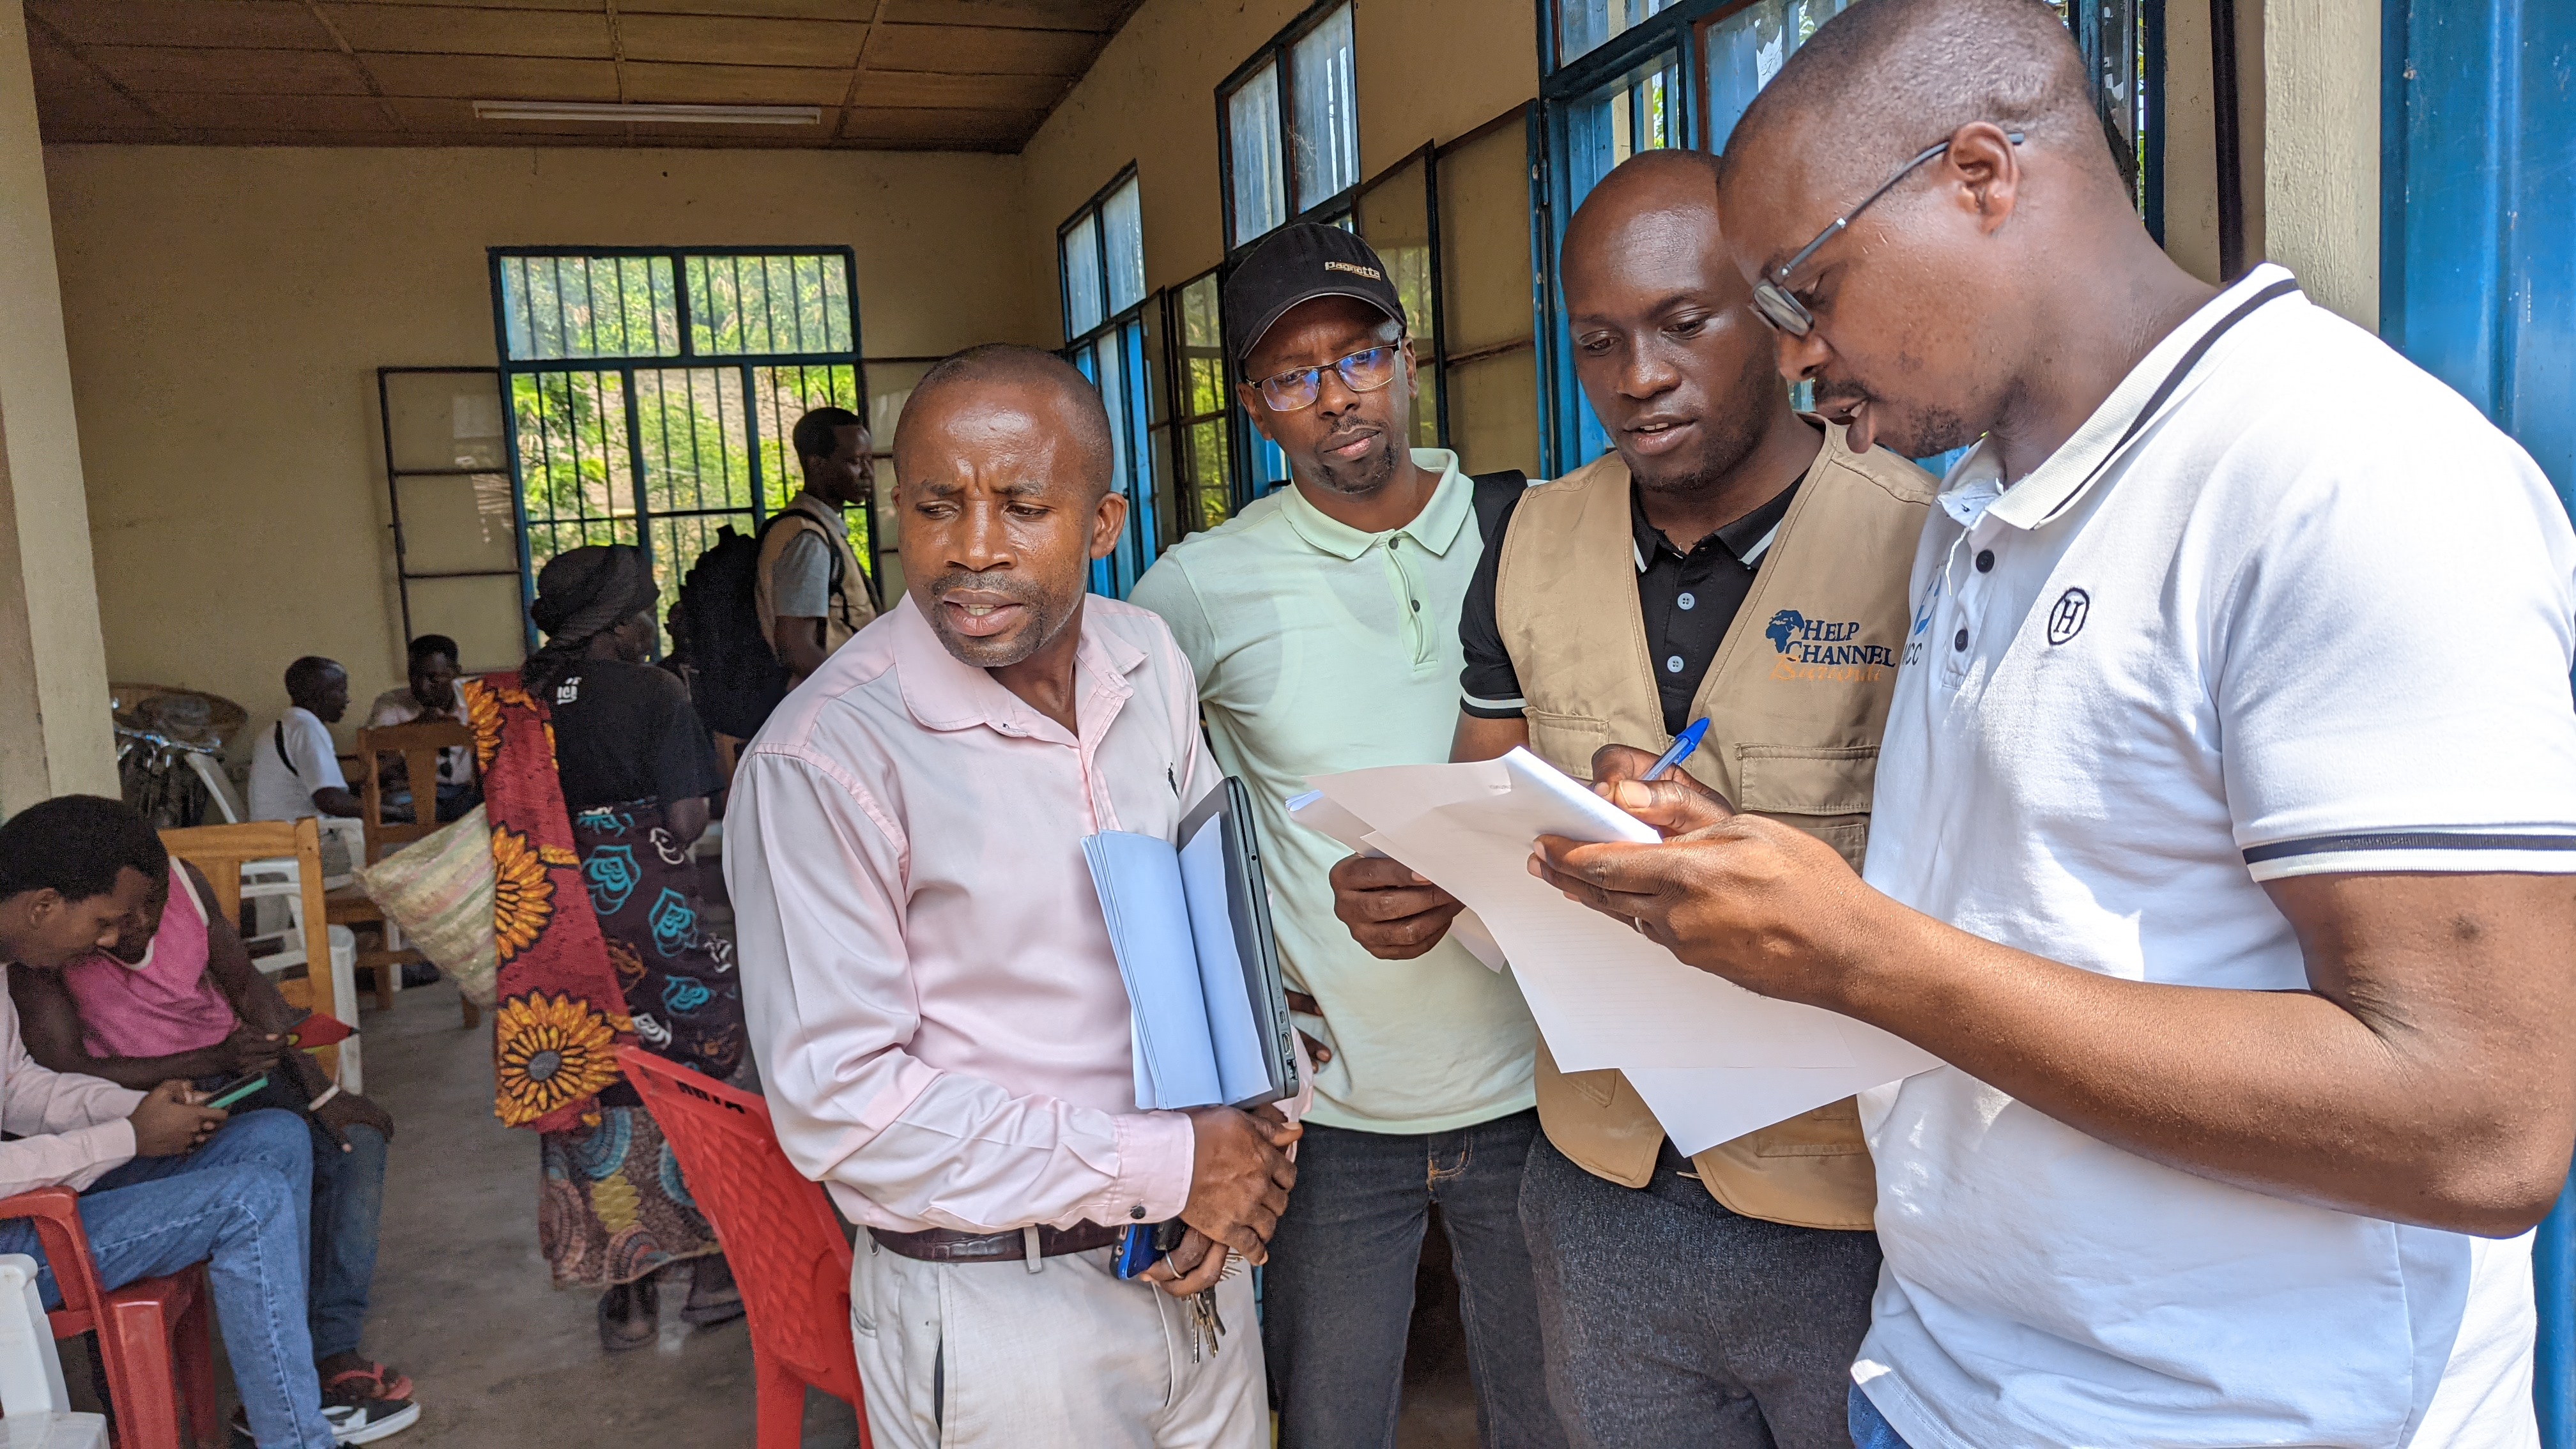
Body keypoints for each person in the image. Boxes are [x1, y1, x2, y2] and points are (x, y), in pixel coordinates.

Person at [1527, 3, 2576, 1448]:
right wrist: (1765, 877)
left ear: (1978, 173)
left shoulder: (2345, 483)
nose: (1794, 356)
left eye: (1807, 290)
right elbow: (2042, 915)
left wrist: (1865, 955)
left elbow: (2482, 1122)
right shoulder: (1976, 511)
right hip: (1947, 1380)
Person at [1331, 149, 1935, 1449]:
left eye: (1681, 324)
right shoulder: (1532, 537)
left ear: (1776, 324)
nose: (1636, 377)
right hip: (1602, 1188)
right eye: (1599, 341)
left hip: (1858, 1205)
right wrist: (1423, 874)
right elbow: (1479, 782)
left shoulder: (1922, 540)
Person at [730, 345, 1304, 1449]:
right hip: (1002, 1318)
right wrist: (1171, 1162)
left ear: (1103, 523)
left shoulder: (1147, 664)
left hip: (1197, 1260)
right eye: (937, 507)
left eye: (1023, 504)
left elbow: (1212, 926)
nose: (973, 549)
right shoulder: (826, 758)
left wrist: (1265, 1123)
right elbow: (842, 1105)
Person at [1130, 223, 1561, 1449]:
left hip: (1542, 1090)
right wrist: (1221, 1010)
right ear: (1255, 406)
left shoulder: (1526, 527)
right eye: (1292, 375)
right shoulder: (1201, 585)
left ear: (1404, 354)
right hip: (1327, 1114)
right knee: (1328, 1416)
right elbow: (1123, 802)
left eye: (1358, 353)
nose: (1336, 396)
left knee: (1549, 1409)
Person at [0, 795, 415, 1447]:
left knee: (277, 1138)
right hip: (14, 1242)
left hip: (36, 1205)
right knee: (248, 1202)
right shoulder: (28, 967)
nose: (110, 941)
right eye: (105, 922)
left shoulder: (8, 961)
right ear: (45, 906)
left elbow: (20, 1088)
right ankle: (296, 1438)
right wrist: (129, 1136)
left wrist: (141, 1109)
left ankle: (286, 1396)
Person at [509, 544, 746, 1351]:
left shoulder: (521, 703)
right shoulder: (654, 690)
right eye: (644, 606)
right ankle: (713, 1274)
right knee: (696, 1069)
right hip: (645, 914)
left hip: (549, 928)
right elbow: (684, 823)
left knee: (591, 1085)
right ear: (617, 625)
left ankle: (627, 1288)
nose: (652, 621)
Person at [755, 406, 880, 686]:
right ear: (817, 465)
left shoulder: (818, 529)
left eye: (868, 460)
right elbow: (796, 648)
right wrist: (856, 694)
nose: (868, 473)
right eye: (854, 461)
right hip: (828, 704)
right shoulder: (806, 539)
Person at [361, 634, 478, 824]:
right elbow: (379, 761)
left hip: (470, 792)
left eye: (434, 678)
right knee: (393, 805)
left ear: (455, 672)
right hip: (416, 793)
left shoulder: (479, 698)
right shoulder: (391, 704)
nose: (423, 687)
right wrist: (418, 728)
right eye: (414, 676)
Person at [250, 657, 362, 822]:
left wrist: (376, 783)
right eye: (341, 691)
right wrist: (394, 812)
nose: (347, 699)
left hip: (275, 833)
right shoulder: (307, 729)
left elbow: (320, 791)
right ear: (318, 696)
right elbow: (331, 802)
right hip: (300, 839)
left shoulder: (288, 726)